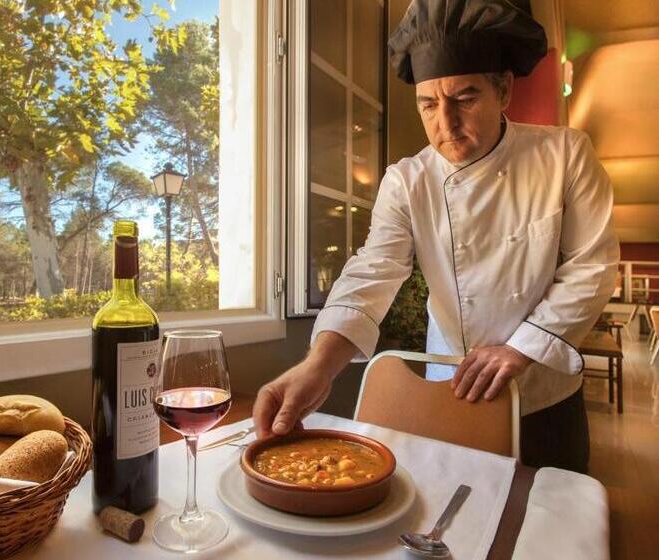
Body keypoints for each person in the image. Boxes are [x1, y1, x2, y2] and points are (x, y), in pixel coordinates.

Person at [253, 0, 619, 474]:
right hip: (454, 390)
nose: (446, 123)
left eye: (465, 99)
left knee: (552, 514)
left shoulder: (565, 155)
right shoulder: (408, 180)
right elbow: (372, 272)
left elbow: (591, 267)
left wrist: (521, 349)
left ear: (503, 90)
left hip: (545, 397)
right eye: (428, 104)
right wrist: (317, 366)